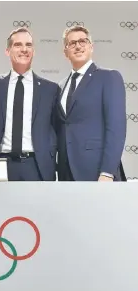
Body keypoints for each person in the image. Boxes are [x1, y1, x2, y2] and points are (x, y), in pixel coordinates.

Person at [0, 28, 60, 181]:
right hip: (1, 163)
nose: (24, 49)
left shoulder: (50, 89)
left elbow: (56, 127)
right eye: (18, 45)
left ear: (34, 51)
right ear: (8, 51)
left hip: (37, 165)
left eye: (29, 45)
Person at [56, 25, 126, 181]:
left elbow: (116, 128)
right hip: (66, 172)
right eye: (72, 43)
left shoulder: (108, 78)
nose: (78, 46)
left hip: (97, 172)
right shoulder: (60, 86)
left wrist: (107, 172)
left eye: (83, 41)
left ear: (91, 47)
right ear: (65, 52)